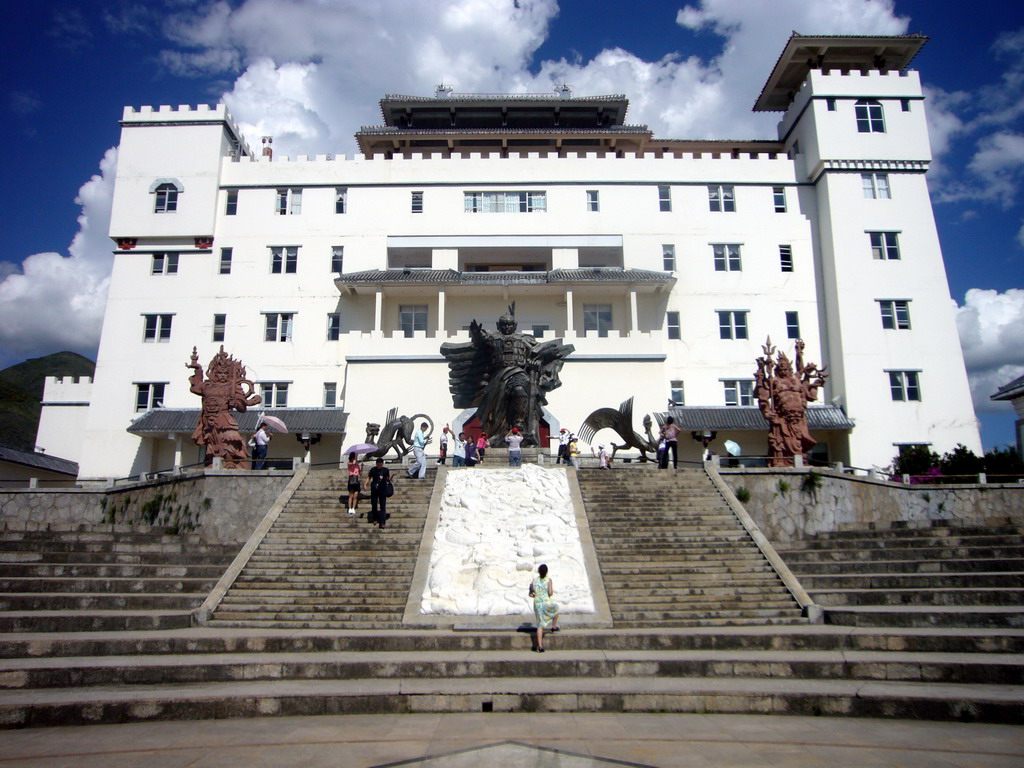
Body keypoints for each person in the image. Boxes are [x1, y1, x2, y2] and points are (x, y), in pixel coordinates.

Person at [529, 563, 559, 652]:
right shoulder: (548, 580)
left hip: (537, 603)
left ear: (538, 571)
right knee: (556, 609)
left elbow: (530, 594)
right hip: (546, 602)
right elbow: (550, 593)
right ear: (546, 572)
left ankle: (540, 646)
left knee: (539, 625)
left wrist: (535, 594)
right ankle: (553, 626)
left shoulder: (534, 581)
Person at [365, 457, 391, 528]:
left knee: (383, 506)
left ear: (382, 464)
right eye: (378, 464)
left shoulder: (385, 470)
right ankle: (375, 518)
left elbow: (388, 479)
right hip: (374, 490)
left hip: (383, 490)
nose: (379, 465)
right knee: (374, 505)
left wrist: (392, 477)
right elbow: (369, 477)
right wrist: (365, 484)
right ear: (376, 464)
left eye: (380, 464)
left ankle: (382, 522)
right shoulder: (373, 470)